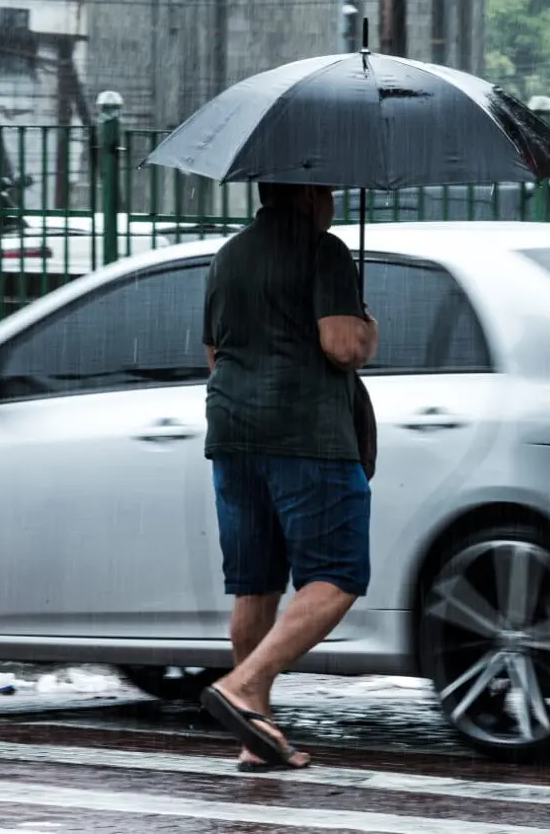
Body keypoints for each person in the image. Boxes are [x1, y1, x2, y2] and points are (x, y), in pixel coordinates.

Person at [199, 182, 379, 771]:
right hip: (306, 434)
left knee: (256, 584)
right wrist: (366, 329)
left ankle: (257, 734)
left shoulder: (229, 254)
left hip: (233, 432)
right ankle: (245, 686)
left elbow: (213, 350)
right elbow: (342, 344)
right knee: (338, 573)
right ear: (304, 193)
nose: (331, 197)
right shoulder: (322, 249)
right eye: (325, 188)